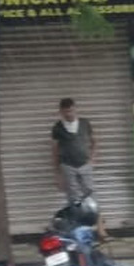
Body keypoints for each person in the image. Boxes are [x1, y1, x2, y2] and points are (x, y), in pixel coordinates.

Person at [50, 98, 108, 240]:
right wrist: (57, 173)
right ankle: (78, 232)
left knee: (92, 198)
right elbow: (55, 150)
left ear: (75, 109)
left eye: (70, 110)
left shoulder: (84, 123)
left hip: (85, 165)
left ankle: (101, 230)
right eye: (65, 112)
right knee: (74, 201)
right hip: (67, 166)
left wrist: (93, 158)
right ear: (61, 112)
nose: (68, 114)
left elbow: (94, 141)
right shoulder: (57, 127)